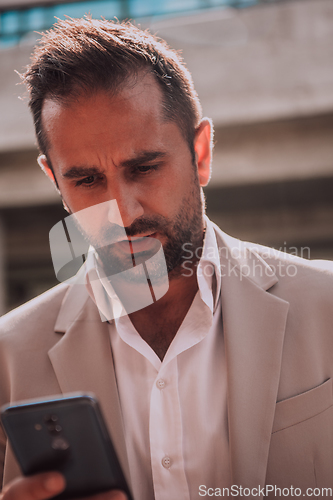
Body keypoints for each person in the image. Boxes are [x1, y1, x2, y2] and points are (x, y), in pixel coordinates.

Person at [1, 16, 333, 500]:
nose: (123, 212)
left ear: (201, 153)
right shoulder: (7, 358)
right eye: (87, 180)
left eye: (145, 167)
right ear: (55, 180)